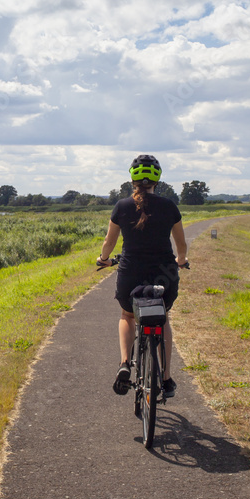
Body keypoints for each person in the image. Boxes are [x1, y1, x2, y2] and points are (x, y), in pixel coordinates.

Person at [96, 155, 188, 398]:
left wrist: (104, 259)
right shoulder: (169, 206)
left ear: (132, 178)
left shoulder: (122, 206)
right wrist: (181, 261)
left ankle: (125, 363)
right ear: (157, 178)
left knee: (127, 315)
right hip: (164, 274)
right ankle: (166, 379)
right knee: (162, 319)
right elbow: (181, 244)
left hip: (131, 273)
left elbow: (109, 242)